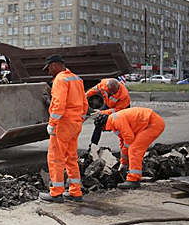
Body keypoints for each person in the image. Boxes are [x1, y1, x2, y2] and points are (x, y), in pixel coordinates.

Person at [39, 54, 88, 203]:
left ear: (54, 65)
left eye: (48, 69)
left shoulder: (60, 80)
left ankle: (56, 192)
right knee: (71, 158)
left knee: (55, 158)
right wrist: (80, 118)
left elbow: (59, 104)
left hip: (63, 124)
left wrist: (52, 123)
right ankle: (75, 191)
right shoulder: (77, 79)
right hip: (75, 124)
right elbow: (85, 103)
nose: (49, 72)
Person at [94, 107, 165, 189]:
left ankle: (133, 180)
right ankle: (133, 175)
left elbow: (129, 138)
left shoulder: (115, 121)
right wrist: (123, 163)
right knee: (132, 147)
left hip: (153, 124)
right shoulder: (113, 121)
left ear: (103, 126)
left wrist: (125, 152)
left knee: (134, 149)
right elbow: (123, 141)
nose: (104, 131)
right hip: (149, 123)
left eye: (102, 129)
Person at [86, 78, 131, 145]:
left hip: (121, 108)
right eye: (110, 91)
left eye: (113, 92)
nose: (111, 93)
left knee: (122, 126)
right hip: (109, 104)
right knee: (99, 122)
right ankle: (93, 145)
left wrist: (102, 112)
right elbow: (95, 89)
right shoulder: (104, 84)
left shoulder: (124, 95)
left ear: (117, 88)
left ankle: (127, 144)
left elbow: (118, 110)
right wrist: (86, 95)